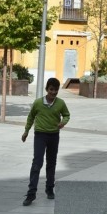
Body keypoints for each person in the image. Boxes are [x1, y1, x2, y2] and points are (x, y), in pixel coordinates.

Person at [21, 77, 70, 206]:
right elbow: (31, 117)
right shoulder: (38, 103)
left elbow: (66, 115)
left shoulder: (60, 103)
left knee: (51, 163)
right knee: (37, 163)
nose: (53, 93)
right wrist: (26, 131)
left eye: (56, 90)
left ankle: (49, 189)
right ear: (47, 89)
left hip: (54, 136)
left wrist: (63, 123)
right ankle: (31, 193)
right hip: (40, 135)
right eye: (51, 90)